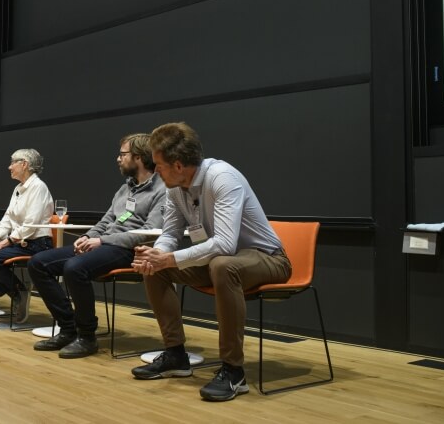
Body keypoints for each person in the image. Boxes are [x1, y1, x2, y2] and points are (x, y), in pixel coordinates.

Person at [131, 122, 292, 402]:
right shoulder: (175, 188)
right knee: (156, 268)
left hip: (268, 258)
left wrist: (171, 258)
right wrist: (159, 256)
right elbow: (169, 234)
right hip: (220, 261)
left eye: (158, 165)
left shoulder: (222, 178)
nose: (155, 171)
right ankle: (175, 355)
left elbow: (226, 245)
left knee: (221, 264)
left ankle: (233, 371)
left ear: (178, 165)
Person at [27, 133, 167, 358]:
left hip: (127, 251)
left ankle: (87, 336)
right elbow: (107, 219)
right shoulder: (125, 188)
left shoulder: (162, 190)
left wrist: (101, 240)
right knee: (38, 263)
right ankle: (68, 328)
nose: (117, 159)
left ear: (139, 157)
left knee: (74, 267)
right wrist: (89, 236)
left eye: (122, 154)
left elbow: (147, 233)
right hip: (103, 244)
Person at [0, 148, 53, 323]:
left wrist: (0, 245)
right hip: (19, 243)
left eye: (12, 163)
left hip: (37, 243)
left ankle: (18, 293)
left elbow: (30, 226)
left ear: (24, 164)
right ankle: (18, 293)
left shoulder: (38, 187)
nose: (9, 167)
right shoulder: (18, 188)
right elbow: (7, 219)